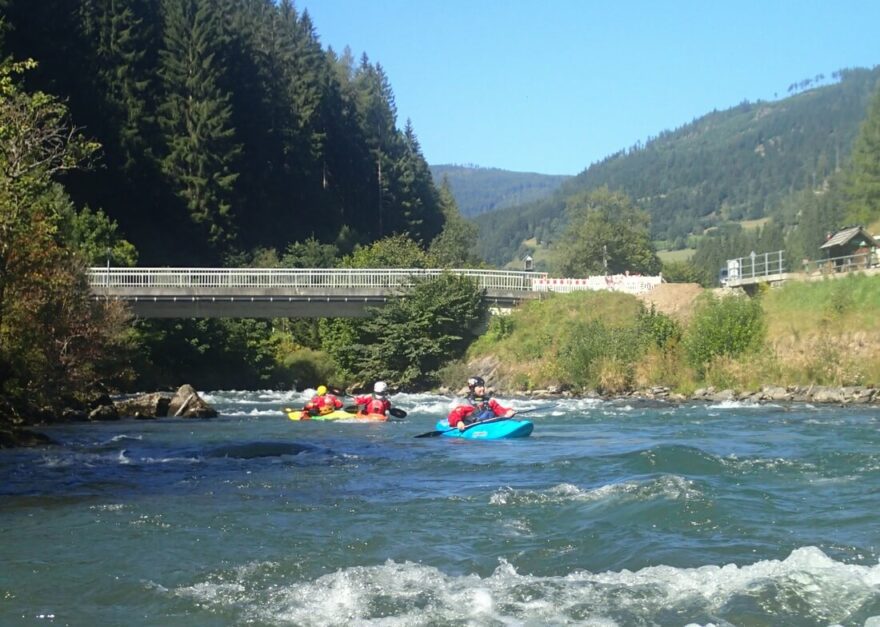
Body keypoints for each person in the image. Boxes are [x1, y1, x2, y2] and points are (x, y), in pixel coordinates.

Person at [447, 376, 516, 431]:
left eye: (483, 386)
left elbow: (500, 410)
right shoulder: (465, 402)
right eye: (479, 387)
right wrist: (458, 422)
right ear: (472, 388)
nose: (482, 388)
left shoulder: (489, 401)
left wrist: (508, 411)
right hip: (472, 428)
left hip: (490, 426)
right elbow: (454, 415)